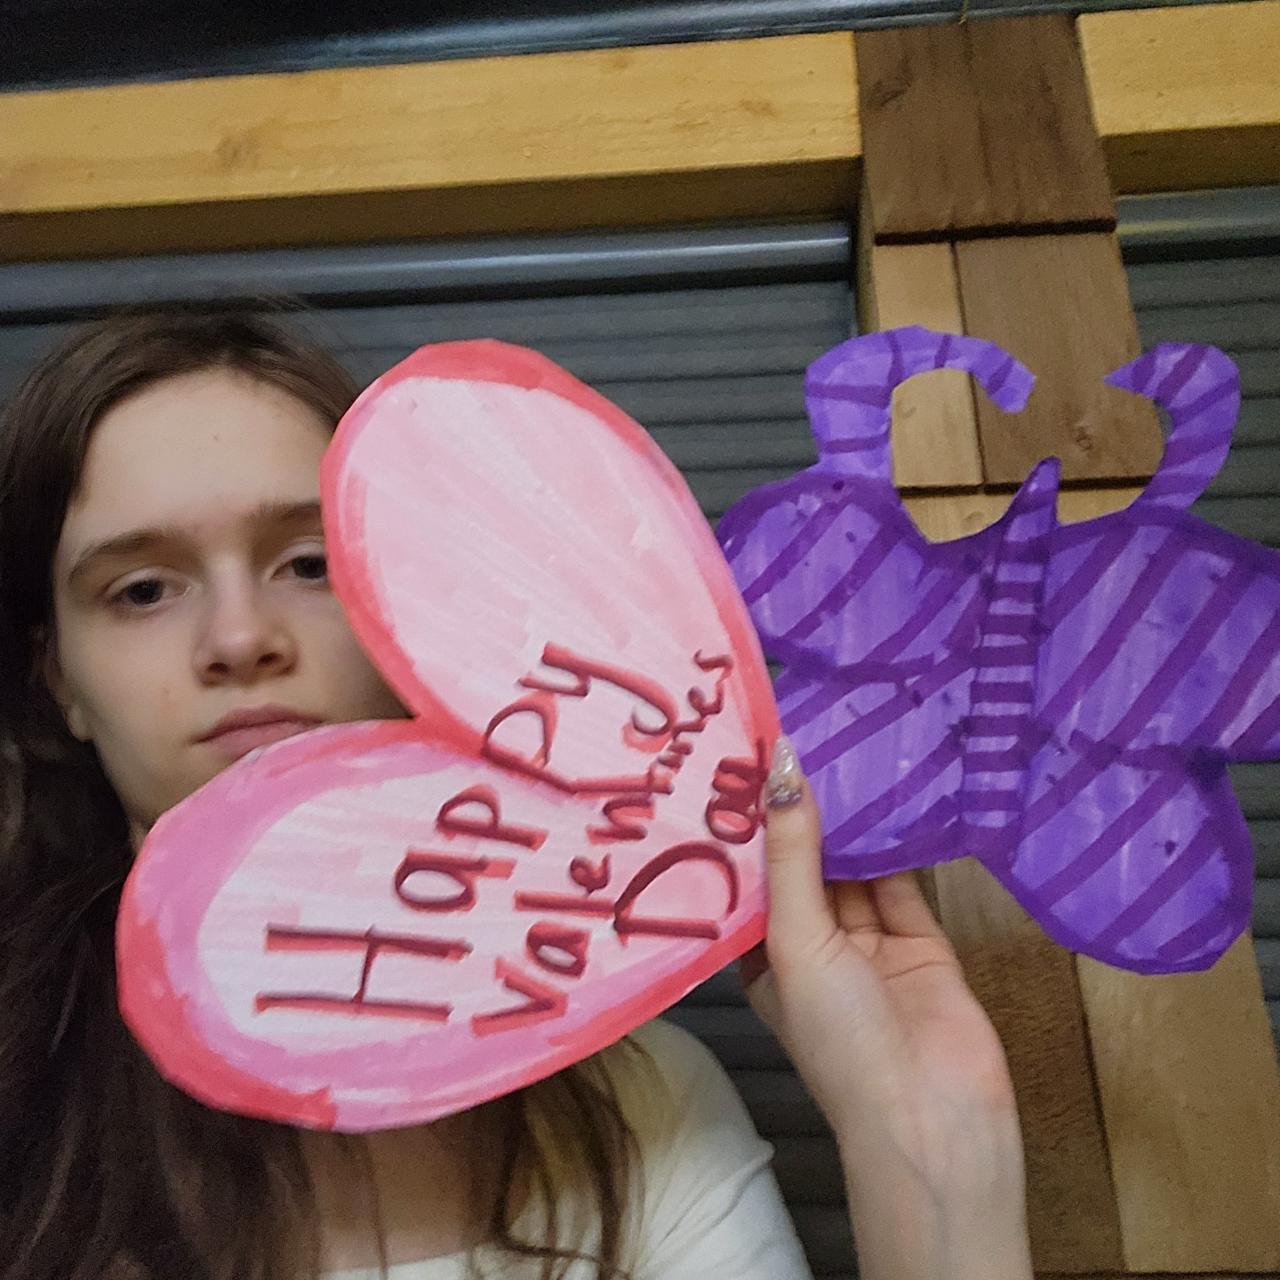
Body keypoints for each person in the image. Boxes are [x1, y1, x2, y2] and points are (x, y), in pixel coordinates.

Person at [0, 309, 1033, 1280]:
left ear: (403, 611)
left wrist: (926, 1133)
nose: (238, 638)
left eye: (309, 564)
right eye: (142, 589)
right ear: (59, 681)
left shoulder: (641, 1106)